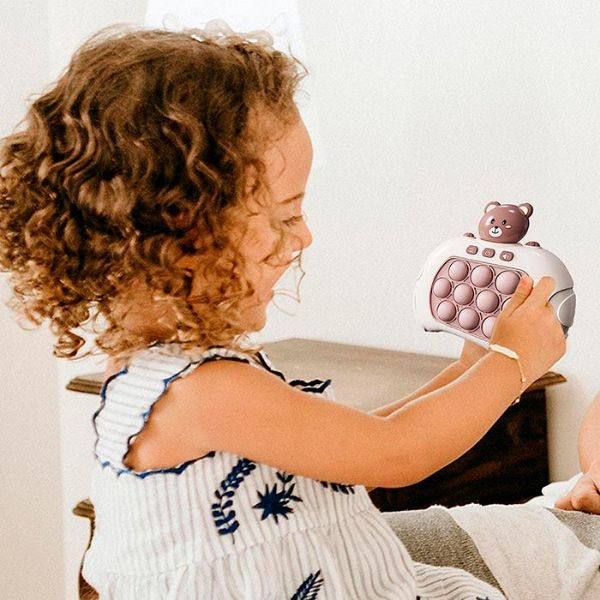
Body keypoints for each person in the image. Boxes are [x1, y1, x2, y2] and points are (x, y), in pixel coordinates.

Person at [0, 22, 566, 600]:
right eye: (286, 215)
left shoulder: (167, 373)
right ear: (184, 230)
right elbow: (395, 452)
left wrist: (474, 367)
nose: (305, 236)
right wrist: (514, 362)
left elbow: (354, 448)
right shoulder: (204, 391)